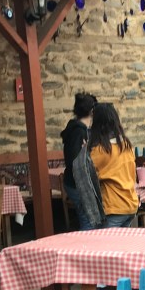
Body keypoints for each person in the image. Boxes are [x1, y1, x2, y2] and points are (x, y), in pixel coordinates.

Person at [88, 102, 138, 228]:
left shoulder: (100, 151)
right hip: (130, 204)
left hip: (113, 207)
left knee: (106, 247)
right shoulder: (127, 145)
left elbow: (86, 173)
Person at [61, 92, 101, 230]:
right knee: (88, 222)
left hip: (74, 182)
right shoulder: (79, 132)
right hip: (78, 183)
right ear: (92, 111)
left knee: (89, 220)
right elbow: (75, 161)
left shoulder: (76, 129)